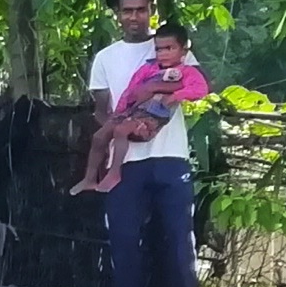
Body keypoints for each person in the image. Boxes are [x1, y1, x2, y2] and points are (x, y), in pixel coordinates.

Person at [89, 0, 203, 287]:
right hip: (125, 160)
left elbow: (193, 86)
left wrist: (153, 92)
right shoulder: (105, 58)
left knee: (179, 235)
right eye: (127, 10)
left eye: (141, 9)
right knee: (123, 236)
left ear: (151, 10)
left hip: (171, 154)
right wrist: (121, 125)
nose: (134, 17)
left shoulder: (171, 48)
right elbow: (100, 109)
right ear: (117, 14)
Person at [76, 24, 208, 194]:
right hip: (133, 111)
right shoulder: (149, 68)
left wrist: (175, 96)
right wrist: (121, 110)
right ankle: (89, 178)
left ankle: (115, 172)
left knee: (121, 131)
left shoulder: (187, 72)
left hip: (154, 115)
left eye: (170, 48)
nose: (164, 53)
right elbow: (131, 89)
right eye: (159, 49)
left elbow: (200, 89)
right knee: (99, 136)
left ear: (183, 51)